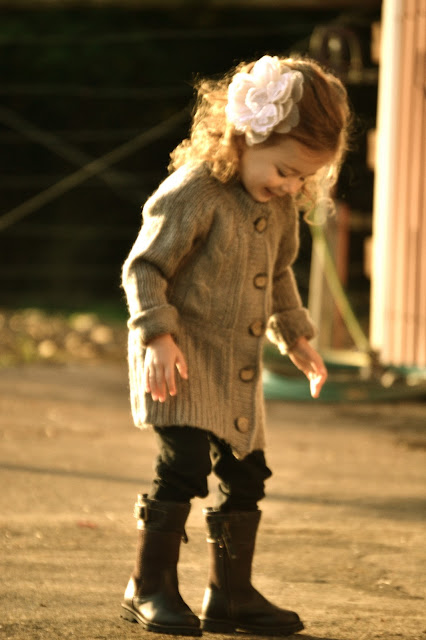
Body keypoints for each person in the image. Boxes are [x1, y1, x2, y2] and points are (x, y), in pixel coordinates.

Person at [120, 54, 350, 637]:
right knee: (184, 465)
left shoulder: (280, 206)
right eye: (286, 170)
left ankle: (230, 595)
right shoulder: (194, 191)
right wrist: (158, 336)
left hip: (237, 368)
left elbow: (279, 274)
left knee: (248, 473)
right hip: (179, 360)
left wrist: (296, 336)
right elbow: (145, 267)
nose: (291, 186)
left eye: (303, 179)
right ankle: (148, 585)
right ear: (247, 135)